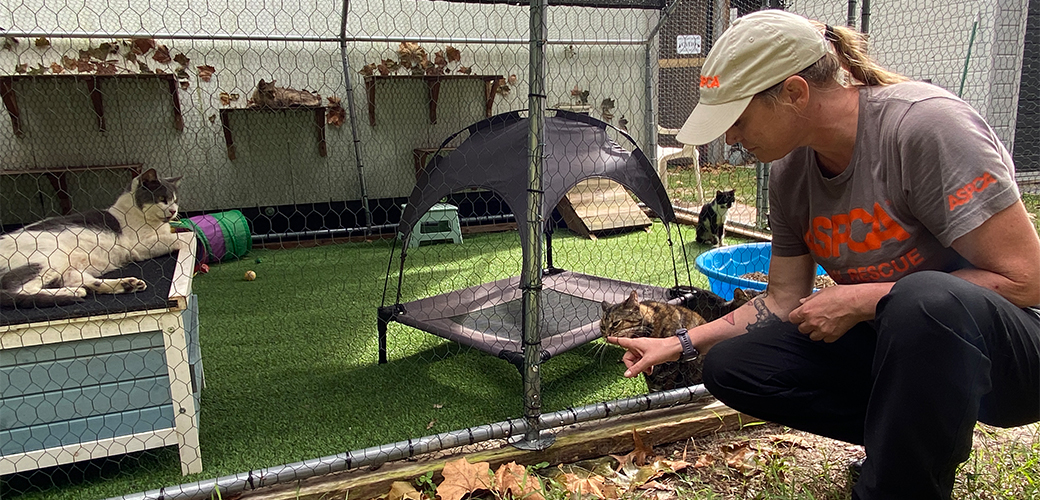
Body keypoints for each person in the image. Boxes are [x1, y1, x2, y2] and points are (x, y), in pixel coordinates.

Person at [606, 9, 1040, 500]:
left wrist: (861, 300)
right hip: (901, 350)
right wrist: (681, 342)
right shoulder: (791, 172)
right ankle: (905, 450)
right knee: (733, 365)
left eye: (739, 118)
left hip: (1011, 356)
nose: (730, 138)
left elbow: (1027, 280)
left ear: (794, 93)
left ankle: (897, 484)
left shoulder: (926, 128)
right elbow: (784, 298)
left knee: (924, 300)